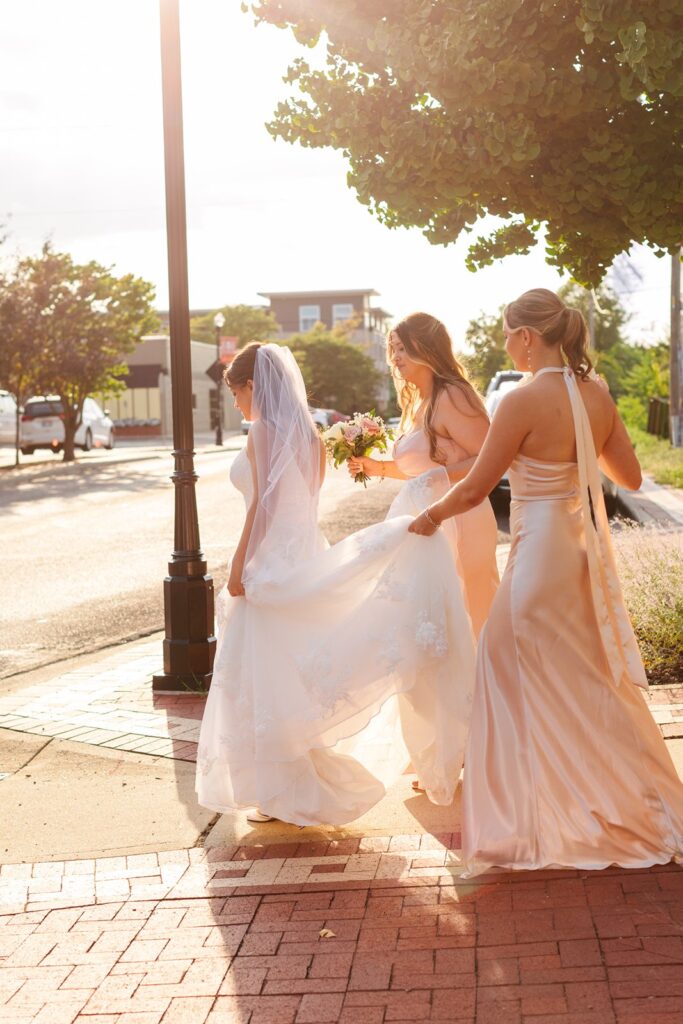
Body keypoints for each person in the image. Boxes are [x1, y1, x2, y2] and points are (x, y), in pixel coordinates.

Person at [409, 288, 683, 874]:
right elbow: (630, 477)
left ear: (527, 338)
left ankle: (531, 818)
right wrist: (589, 436)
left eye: (508, 335)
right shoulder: (597, 393)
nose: (506, 344)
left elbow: (477, 486)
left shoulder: (521, 400)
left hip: (537, 564)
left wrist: (428, 518)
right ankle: (624, 802)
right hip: (580, 557)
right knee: (587, 679)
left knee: (505, 669)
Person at [196, 341, 477, 826]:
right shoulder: (308, 435)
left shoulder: (262, 432)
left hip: (269, 562)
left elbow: (263, 506)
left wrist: (240, 563)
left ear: (252, 386)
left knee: (265, 675)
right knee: (289, 675)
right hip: (302, 553)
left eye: (238, 394)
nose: (238, 405)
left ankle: (278, 789)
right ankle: (285, 784)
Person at [349, 313, 499, 639]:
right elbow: (420, 472)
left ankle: (486, 686)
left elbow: (490, 458)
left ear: (425, 347)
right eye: (393, 349)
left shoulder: (452, 395)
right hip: (428, 520)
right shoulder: (420, 402)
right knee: (430, 620)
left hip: (463, 517)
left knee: (473, 613)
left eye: (402, 348)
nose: (395, 357)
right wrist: (377, 467)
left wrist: (439, 478)